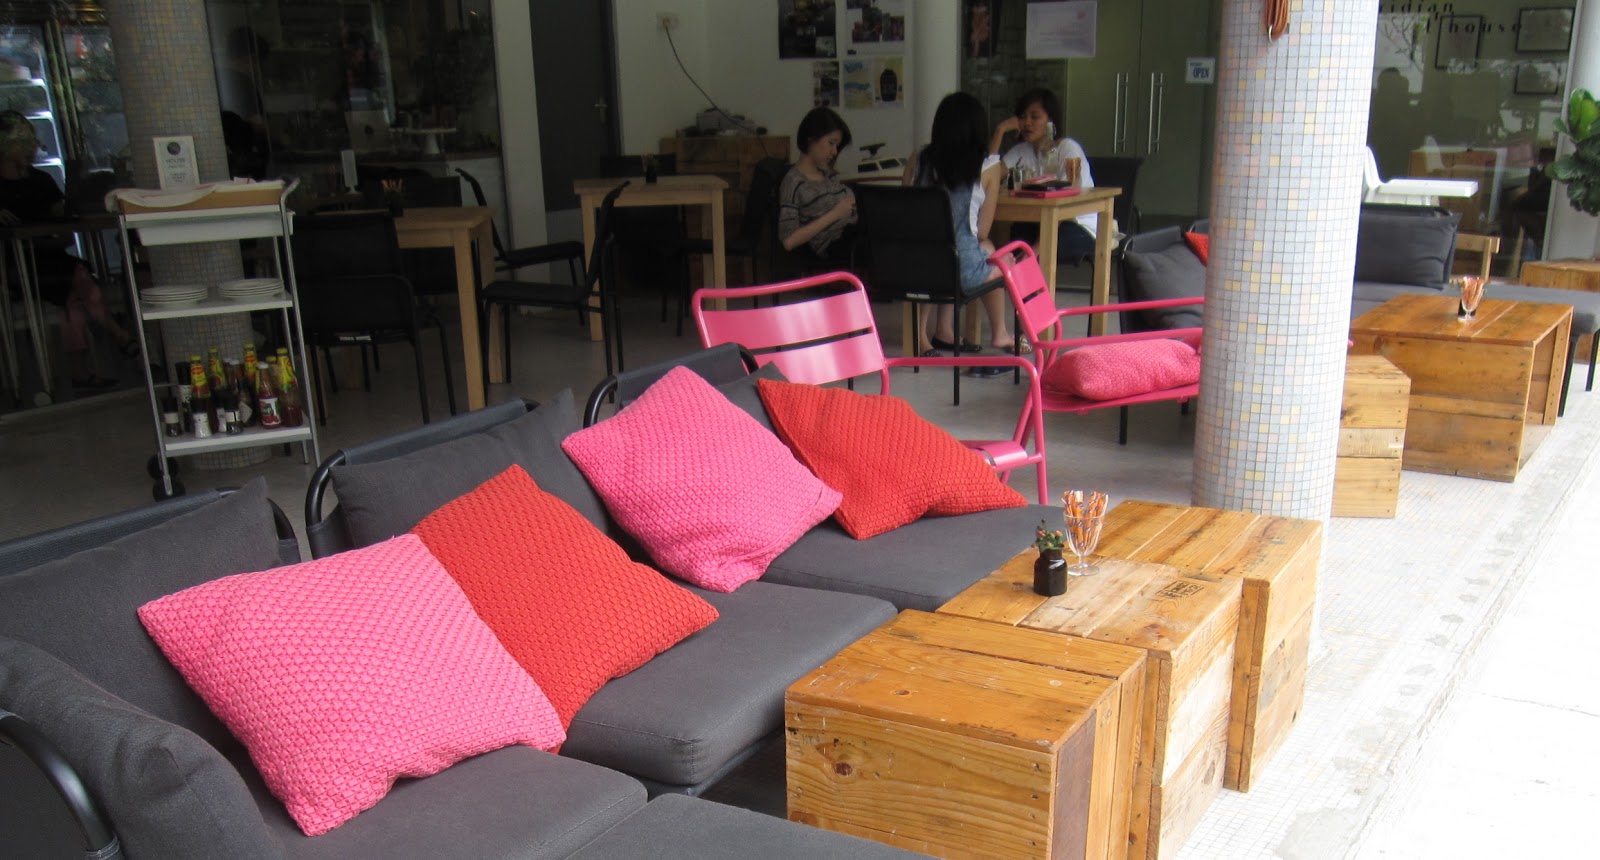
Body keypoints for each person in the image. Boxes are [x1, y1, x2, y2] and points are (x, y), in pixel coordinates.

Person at [0, 110, 134, 389]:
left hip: (50, 256)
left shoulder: (41, 181)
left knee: (71, 295)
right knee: (75, 284)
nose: (31, 151)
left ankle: (83, 370)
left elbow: (63, 223)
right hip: (16, 266)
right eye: (23, 145)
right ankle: (118, 337)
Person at [902, 91, 1017, 359]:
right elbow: (982, 231)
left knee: (936, 247)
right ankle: (1000, 332)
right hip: (957, 270)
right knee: (992, 253)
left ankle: (931, 333)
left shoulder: (918, 159)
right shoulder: (988, 166)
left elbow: (906, 209)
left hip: (911, 264)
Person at [989, 88, 1098, 260]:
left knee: (1040, 245)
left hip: (1075, 223)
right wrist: (1000, 130)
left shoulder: (1068, 148)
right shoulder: (1021, 151)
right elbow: (989, 175)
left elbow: (1066, 201)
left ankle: (1035, 267)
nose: (1027, 123)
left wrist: (1035, 249)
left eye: (1034, 117)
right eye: (1023, 117)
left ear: (1051, 121)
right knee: (1017, 233)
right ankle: (1013, 276)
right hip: (1038, 221)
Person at [777, 107, 858, 265]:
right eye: (831, 143)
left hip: (855, 232)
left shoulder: (829, 175)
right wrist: (836, 214)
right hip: (836, 243)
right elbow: (789, 241)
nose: (834, 151)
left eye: (837, 146)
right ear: (811, 139)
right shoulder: (793, 181)